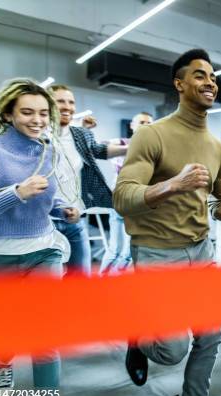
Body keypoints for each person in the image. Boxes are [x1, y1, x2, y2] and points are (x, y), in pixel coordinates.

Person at [114, 48, 221, 396]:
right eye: (199, 75)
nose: (209, 81)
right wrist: (171, 185)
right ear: (179, 83)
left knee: (209, 337)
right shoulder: (152, 135)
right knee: (172, 351)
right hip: (157, 254)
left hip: (202, 252)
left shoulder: (218, 147)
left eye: (212, 76)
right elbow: (123, 196)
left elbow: (218, 202)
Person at [0, 78, 80, 396]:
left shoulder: (49, 151)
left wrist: (63, 210)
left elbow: (46, 199)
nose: (37, 120)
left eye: (43, 113)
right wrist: (16, 194)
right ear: (9, 115)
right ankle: (5, 359)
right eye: (27, 112)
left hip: (44, 251)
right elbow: (15, 197)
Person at [47, 84, 128, 277]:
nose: (67, 106)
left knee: (81, 279)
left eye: (71, 102)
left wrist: (133, 147)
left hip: (75, 218)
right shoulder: (40, 134)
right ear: (48, 104)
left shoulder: (79, 135)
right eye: (60, 101)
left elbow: (99, 151)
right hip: (45, 223)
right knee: (49, 284)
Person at [99, 111, 154, 275]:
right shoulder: (123, 142)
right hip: (119, 202)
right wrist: (127, 148)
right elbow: (101, 146)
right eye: (142, 122)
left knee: (129, 253)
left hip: (137, 204)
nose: (146, 126)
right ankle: (102, 283)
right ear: (132, 125)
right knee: (115, 250)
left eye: (149, 123)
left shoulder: (150, 151)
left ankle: (113, 284)